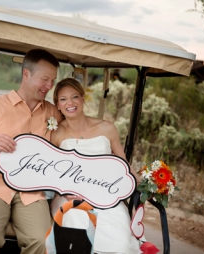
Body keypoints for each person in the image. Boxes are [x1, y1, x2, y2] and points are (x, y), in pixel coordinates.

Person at [0, 49, 63, 254]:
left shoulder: (53, 113)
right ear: (26, 74)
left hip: (31, 192)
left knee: (43, 243)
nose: (49, 86)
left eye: (52, 80)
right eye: (44, 79)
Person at [49, 78, 143, 253]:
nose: (70, 103)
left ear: (83, 98)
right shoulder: (56, 134)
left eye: (75, 97)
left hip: (104, 195)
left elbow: (122, 164)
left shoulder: (106, 128)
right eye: (63, 99)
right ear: (58, 104)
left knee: (118, 237)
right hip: (70, 197)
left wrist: (141, 182)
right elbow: (51, 172)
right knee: (77, 223)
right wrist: (66, 192)